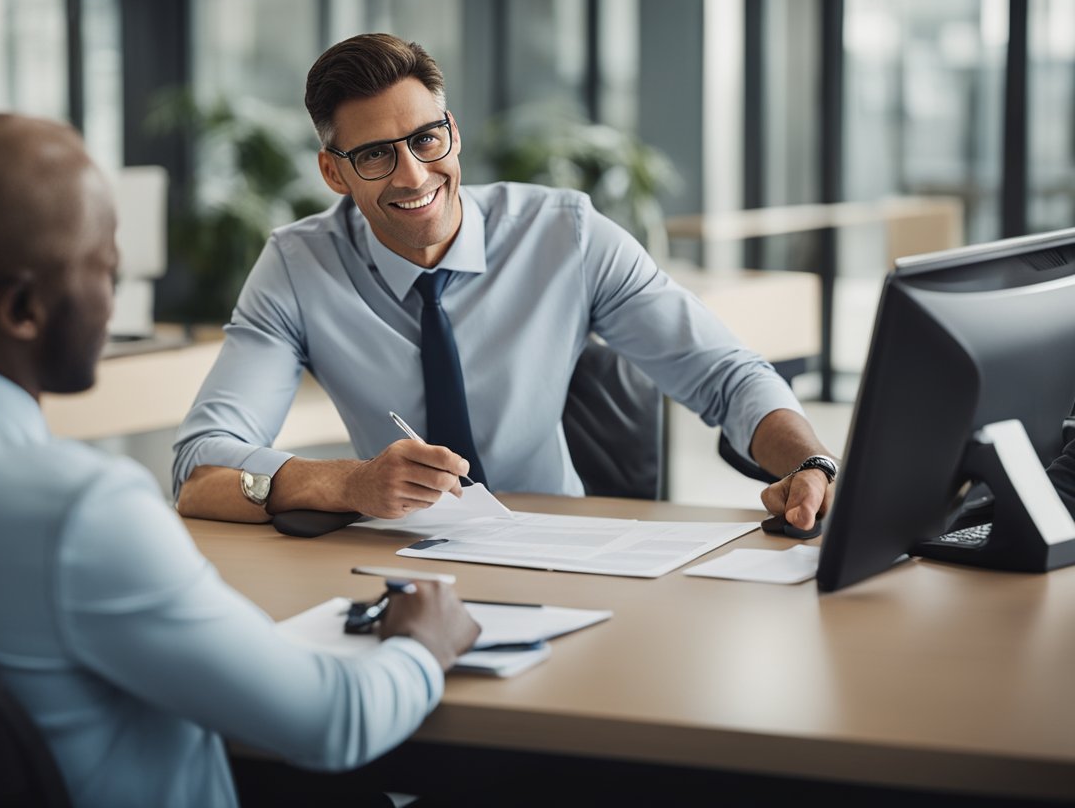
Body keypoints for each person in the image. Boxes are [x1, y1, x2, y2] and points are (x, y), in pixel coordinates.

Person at [0, 113, 479, 808]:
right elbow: (333, 723)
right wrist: (423, 642)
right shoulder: (78, 511)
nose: (111, 298)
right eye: (105, 269)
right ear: (25, 309)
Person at [174, 32, 838, 532]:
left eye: (426, 140)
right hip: (397, 557)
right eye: (375, 155)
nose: (411, 175)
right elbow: (200, 468)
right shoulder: (298, 267)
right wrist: (350, 484)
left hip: (563, 548)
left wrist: (809, 465)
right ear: (333, 172)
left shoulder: (565, 234)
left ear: (452, 134)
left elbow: (725, 374)